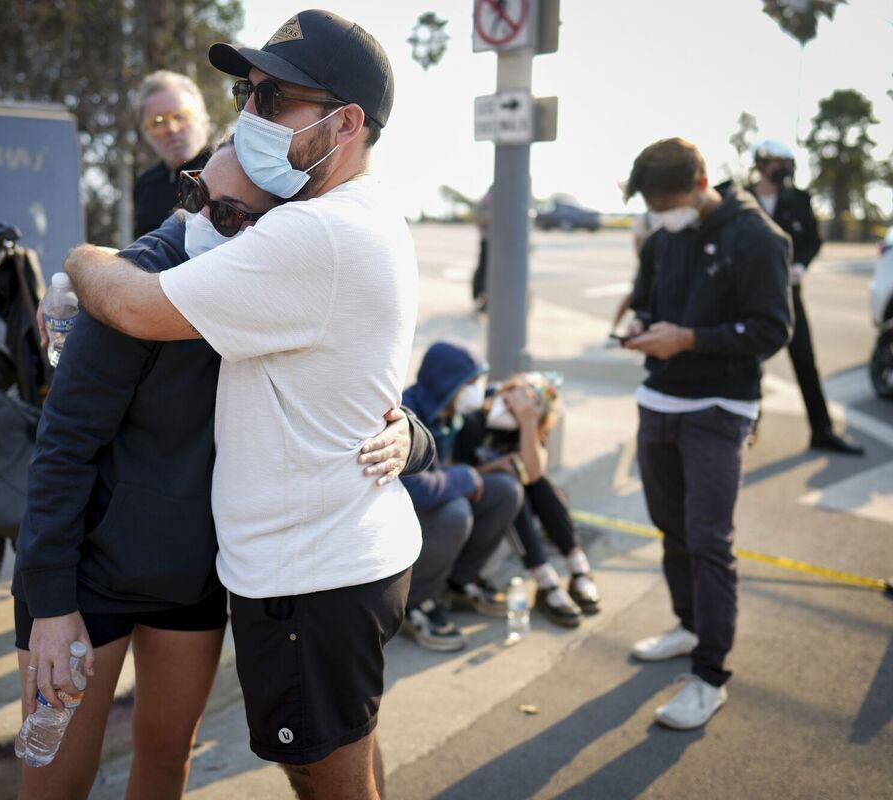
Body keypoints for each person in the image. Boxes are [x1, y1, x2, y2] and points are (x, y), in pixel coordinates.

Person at [59, 10, 419, 797]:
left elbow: (138, 305)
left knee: (322, 770)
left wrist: (79, 260)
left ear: (345, 123)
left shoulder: (312, 234)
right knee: (347, 742)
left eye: (275, 97)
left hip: (310, 578)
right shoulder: (357, 214)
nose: (247, 114)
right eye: (245, 90)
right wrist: (414, 434)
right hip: (332, 561)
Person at [621, 137, 792, 730]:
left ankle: (710, 675)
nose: (661, 217)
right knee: (671, 529)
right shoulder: (665, 235)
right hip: (658, 398)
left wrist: (690, 339)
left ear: (700, 186)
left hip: (719, 406)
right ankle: (689, 623)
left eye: (666, 204)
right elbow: (646, 298)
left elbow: (773, 329)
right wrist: (642, 325)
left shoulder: (759, 238)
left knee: (709, 539)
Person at [398, 342, 524, 652]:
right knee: (455, 512)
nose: (474, 391)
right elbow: (417, 489)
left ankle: (460, 582)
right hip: (401, 513)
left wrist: (482, 471)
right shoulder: (407, 415)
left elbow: (448, 471)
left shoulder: (449, 414)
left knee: (506, 490)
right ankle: (414, 602)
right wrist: (467, 477)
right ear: (446, 383)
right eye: (468, 383)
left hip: (431, 501)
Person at [455, 373, 602, 628]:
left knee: (539, 483)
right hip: (479, 497)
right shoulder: (477, 419)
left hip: (512, 489)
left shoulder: (530, 423)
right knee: (513, 487)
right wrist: (496, 467)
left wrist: (528, 424)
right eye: (514, 400)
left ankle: (578, 566)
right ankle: (545, 578)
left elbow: (533, 472)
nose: (515, 408)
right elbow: (455, 473)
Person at [747, 138, 863, 455]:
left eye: (786, 166)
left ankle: (821, 430)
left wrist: (800, 265)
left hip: (786, 293)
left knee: (804, 360)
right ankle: (748, 425)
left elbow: (812, 240)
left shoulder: (797, 199)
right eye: (776, 165)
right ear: (761, 164)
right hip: (747, 296)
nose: (782, 171)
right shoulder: (741, 197)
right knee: (749, 359)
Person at [133, 70, 213, 239]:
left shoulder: (225, 170)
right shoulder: (145, 185)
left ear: (203, 118)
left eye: (180, 116)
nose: (171, 129)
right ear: (146, 131)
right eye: (158, 122)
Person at [471, 186, 494, 311]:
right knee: (484, 269)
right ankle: (480, 297)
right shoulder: (487, 200)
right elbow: (477, 217)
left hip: (496, 242)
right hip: (488, 240)